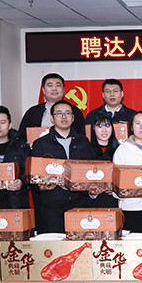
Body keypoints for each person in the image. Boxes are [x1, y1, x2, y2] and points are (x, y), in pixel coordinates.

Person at [30, 100, 97, 233]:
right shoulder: (41, 144)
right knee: (55, 243)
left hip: (80, 203)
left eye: (67, 113)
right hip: (52, 205)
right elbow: (33, 175)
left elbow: (91, 169)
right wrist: (41, 186)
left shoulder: (83, 142)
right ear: (52, 118)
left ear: (73, 118)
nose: (64, 117)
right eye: (59, 113)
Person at [18, 73, 85, 142]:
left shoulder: (75, 111)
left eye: (58, 85)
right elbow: (21, 137)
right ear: (43, 90)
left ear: (63, 89)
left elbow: (82, 135)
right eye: (50, 85)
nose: (54, 89)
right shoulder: (32, 112)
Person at [89, 116, 119, 208]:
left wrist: (116, 189)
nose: (104, 130)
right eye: (100, 126)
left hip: (115, 202)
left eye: (107, 126)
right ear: (93, 129)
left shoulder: (120, 150)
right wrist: (92, 192)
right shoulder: (86, 150)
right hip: (93, 203)